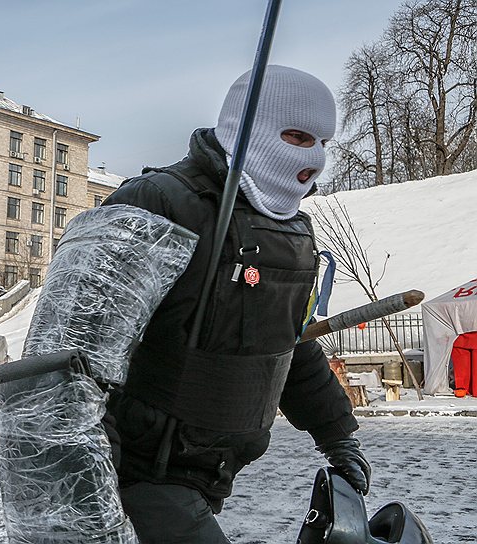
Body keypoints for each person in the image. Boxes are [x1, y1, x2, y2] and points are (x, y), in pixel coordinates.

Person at [101, 66, 370, 543]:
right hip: (138, 472)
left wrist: (337, 435)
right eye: (296, 135)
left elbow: (286, 345)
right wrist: (81, 473)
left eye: (323, 142)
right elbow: (75, 347)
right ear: (250, 129)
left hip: (213, 468)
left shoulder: (292, 229)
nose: (315, 158)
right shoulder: (160, 202)